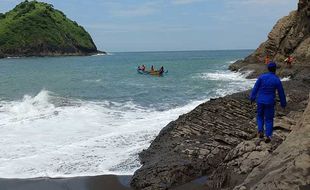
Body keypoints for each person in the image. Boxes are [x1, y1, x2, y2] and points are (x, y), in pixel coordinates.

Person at [250, 62, 287, 143]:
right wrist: (283, 104)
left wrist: (252, 98)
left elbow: (255, 88)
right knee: (269, 119)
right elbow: (281, 93)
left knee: (260, 116)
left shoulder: (262, 77)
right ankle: (268, 135)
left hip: (260, 101)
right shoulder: (276, 80)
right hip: (270, 102)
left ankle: (260, 131)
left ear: (268, 68)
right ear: (275, 69)